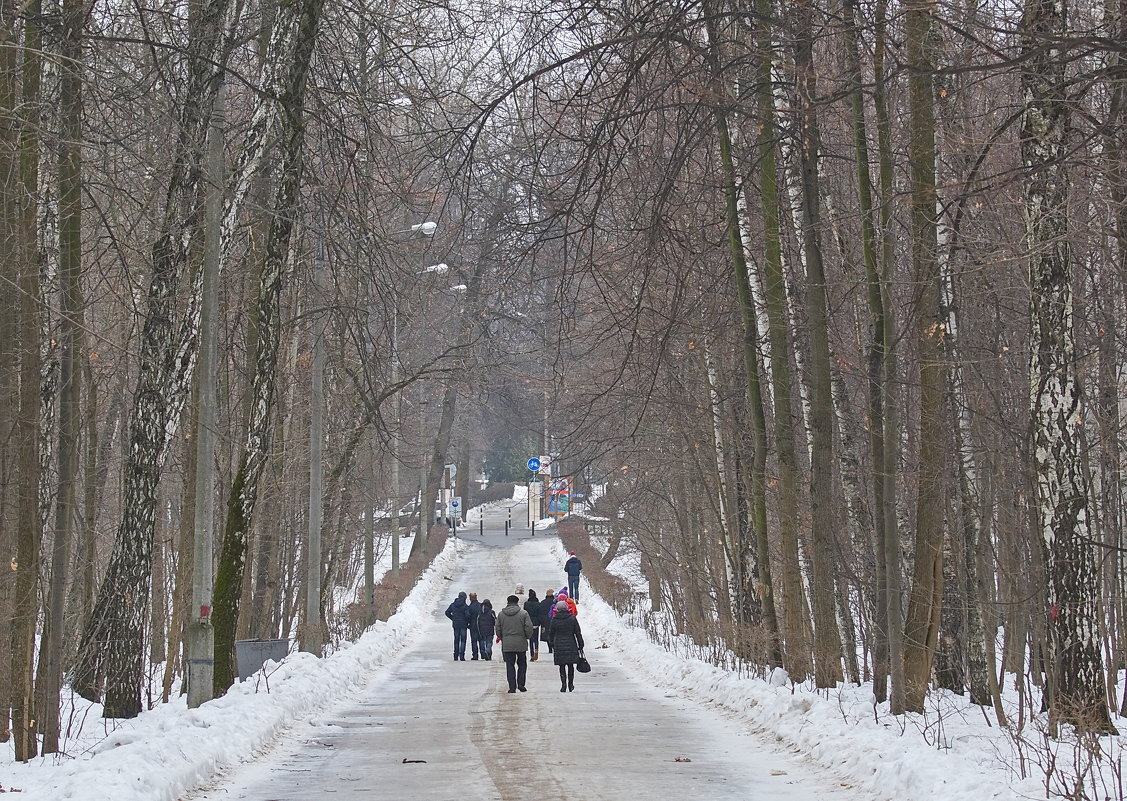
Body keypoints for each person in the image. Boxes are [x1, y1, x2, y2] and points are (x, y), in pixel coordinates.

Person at [495, 594, 534, 693]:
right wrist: (526, 636)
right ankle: (521, 684)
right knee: (522, 664)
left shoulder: (501, 614)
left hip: (507, 644)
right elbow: (529, 627)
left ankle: (512, 687)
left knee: (510, 665)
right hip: (521, 643)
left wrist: (503, 637)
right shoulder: (523, 614)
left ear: (508, 602)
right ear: (517, 602)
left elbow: (498, 629)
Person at [548, 598, 584, 692]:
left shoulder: (555, 619)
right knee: (570, 665)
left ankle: (563, 685)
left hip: (559, 645)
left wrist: (552, 644)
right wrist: (581, 644)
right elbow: (577, 632)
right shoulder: (572, 618)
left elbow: (551, 633)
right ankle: (570, 684)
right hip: (571, 644)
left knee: (562, 666)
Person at [444, 592, 471, 661]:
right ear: (465, 598)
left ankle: (455, 655)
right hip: (463, 625)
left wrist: (453, 618)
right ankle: (462, 655)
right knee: (463, 640)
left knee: (456, 640)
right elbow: (467, 615)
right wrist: (468, 621)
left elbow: (447, 612)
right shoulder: (465, 606)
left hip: (456, 624)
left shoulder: (453, 605)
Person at [523, 590, 542, 661]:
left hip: (529, 623)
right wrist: (540, 622)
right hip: (536, 623)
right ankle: (536, 650)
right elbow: (540, 614)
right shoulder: (538, 604)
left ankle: (532, 654)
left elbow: (524, 613)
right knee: (536, 639)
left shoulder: (526, 604)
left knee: (530, 639)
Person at [467, 593, 482, 660]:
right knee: (481, 639)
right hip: (480, 625)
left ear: (470, 598)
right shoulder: (480, 605)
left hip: (472, 625)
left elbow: (467, 616)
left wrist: (468, 623)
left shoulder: (470, 607)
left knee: (474, 641)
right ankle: (483, 653)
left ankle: (475, 655)